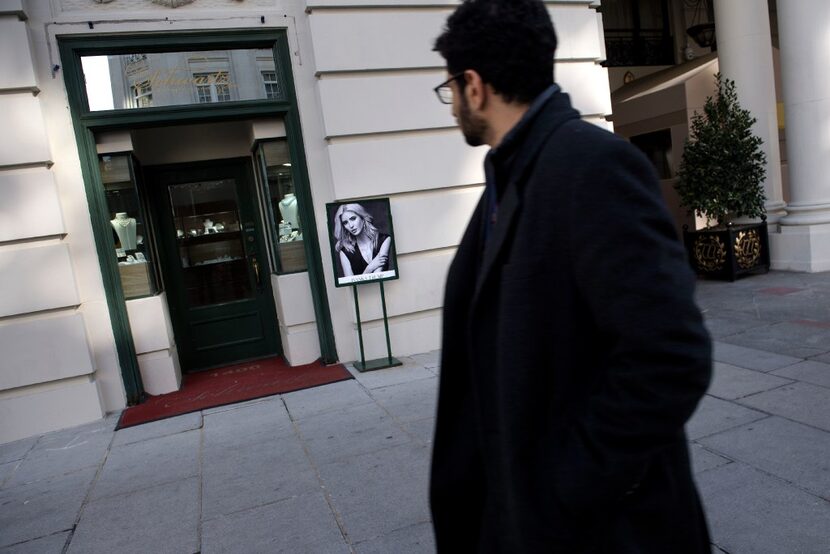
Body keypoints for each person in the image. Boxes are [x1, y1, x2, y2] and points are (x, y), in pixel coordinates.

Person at [429, 1, 713, 552]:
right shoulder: (511, 177)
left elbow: (670, 353)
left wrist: (569, 486)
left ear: (474, 85)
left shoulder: (591, 166)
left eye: (449, 91)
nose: (452, 107)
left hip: (599, 532)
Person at [333, 203, 392, 278]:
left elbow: (378, 276)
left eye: (353, 218)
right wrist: (369, 268)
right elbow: (351, 284)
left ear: (362, 218)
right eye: (345, 223)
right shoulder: (344, 252)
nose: (351, 225)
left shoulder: (384, 240)